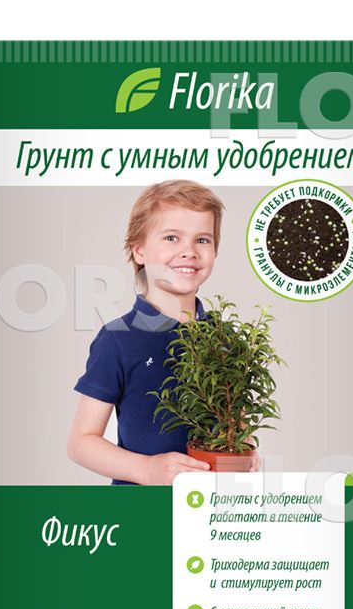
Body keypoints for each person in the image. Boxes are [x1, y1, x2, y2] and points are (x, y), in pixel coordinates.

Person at [68, 180, 255, 485]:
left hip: (212, 505)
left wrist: (246, 451)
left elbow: (236, 424)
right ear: (139, 250)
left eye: (202, 240)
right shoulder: (118, 338)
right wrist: (147, 469)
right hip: (141, 507)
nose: (189, 251)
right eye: (171, 237)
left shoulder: (225, 339)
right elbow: (81, 442)